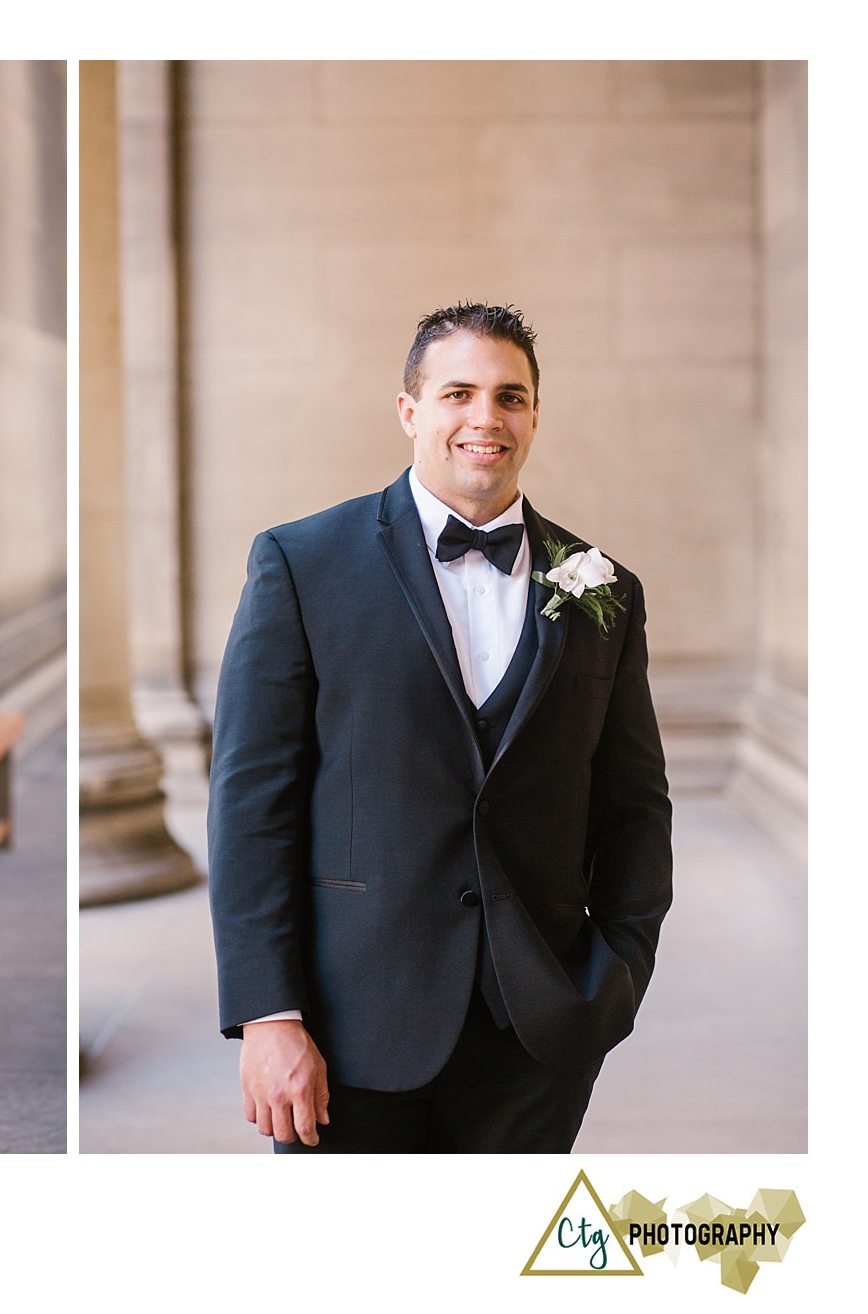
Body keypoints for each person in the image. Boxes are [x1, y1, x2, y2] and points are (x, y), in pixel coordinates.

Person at [208, 302, 672, 1153]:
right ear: (410, 410)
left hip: (537, 1036)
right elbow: (251, 802)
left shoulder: (601, 587)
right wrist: (268, 1016)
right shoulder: (301, 563)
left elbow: (634, 804)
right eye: (458, 392)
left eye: (510, 396)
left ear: (534, 414)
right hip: (347, 1032)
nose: (485, 419)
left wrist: (614, 981)